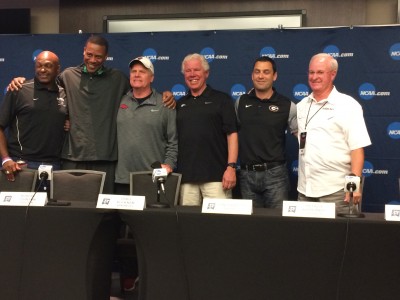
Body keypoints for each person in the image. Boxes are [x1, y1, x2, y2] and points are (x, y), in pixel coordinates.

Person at [8, 35, 175, 194]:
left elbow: (141, 90)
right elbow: (45, 88)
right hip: (72, 158)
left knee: (105, 213)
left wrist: (166, 94)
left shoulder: (118, 79)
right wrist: (20, 81)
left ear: (106, 57)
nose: (93, 60)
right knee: (70, 209)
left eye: (98, 56)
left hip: (105, 160)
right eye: (89, 54)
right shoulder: (67, 75)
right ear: (83, 51)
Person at [297, 53, 371, 213]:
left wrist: (353, 185)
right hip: (305, 190)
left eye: (320, 72)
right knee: (306, 238)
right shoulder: (301, 105)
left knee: (338, 238)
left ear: (333, 74)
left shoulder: (348, 105)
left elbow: (357, 148)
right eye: (311, 72)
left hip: (337, 192)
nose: (314, 77)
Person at [235, 56, 297, 208]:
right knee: (251, 227)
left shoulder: (287, 105)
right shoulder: (240, 102)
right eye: (257, 72)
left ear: (274, 76)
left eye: (266, 72)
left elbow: (302, 139)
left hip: (275, 176)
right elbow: (232, 136)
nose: (261, 76)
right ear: (252, 75)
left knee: (277, 225)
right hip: (246, 175)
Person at [176, 53, 238, 205]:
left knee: (219, 225)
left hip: (217, 177)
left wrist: (231, 167)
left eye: (196, 70)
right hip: (187, 179)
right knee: (189, 225)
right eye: (188, 71)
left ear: (206, 73)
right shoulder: (179, 104)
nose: (192, 74)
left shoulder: (222, 100)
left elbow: (232, 135)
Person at [0, 50, 67, 182]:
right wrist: (5, 159)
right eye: (39, 65)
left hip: (55, 165)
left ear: (57, 69)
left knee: (52, 203)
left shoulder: (65, 94)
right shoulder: (18, 89)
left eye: (48, 65)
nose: (42, 69)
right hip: (21, 165)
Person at [115, 56, 178, 194]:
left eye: (142, 71)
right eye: (133, 71)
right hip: (122, 179)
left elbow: (173, 141)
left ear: (152, 78)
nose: (137, 74)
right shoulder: (119, 100)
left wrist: (168, 165)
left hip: (153, 178)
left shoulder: (165, 104)